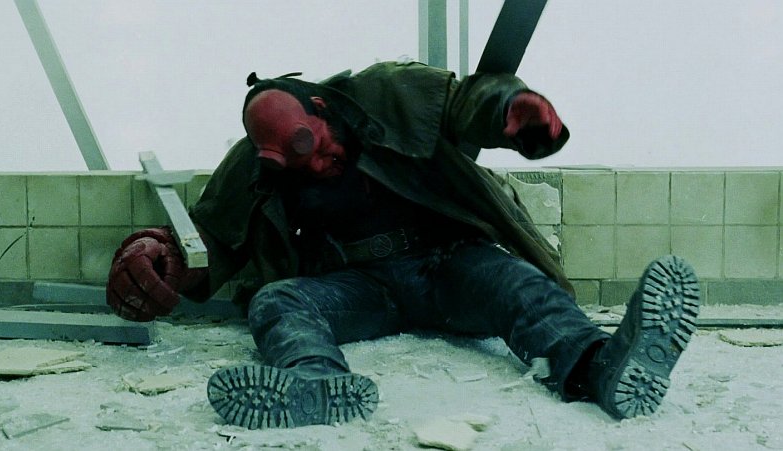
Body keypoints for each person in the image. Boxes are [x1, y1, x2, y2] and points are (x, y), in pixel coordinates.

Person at [106, 61, 700, 429]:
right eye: (293, 161)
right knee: (277, 301)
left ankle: (599, 368)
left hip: (448, 263)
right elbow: (209, 236)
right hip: (361, 287)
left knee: (520, 286)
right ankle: (314, 383)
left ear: (322, 109)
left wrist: (509, 108)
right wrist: (160, 255)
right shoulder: (261, 168)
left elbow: (466, 102)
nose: (316, 165)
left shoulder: (386, 94)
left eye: (314, 145)